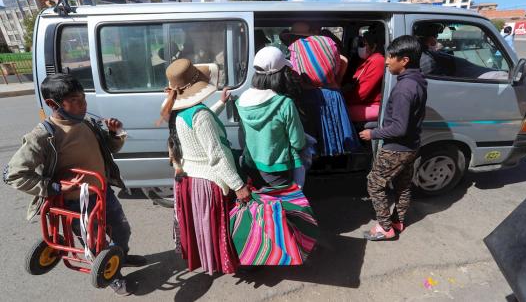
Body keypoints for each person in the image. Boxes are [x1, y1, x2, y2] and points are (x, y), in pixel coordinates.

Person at [3, 73, 146, 295]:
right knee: (96, 244)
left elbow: (110, 148)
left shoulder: (87, 124)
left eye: (84, 99)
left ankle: (120, 258)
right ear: (53, 104)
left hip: (101, 193)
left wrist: (114, 133)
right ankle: (112, 276)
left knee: (122, 229)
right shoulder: (44, 136)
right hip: (75, 203)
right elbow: (14, 175)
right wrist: (55, 188)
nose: (83, 105)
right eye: (75, 100)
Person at [160, 58, 251, 275]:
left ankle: (209, 261)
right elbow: (217, 155)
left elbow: (200, 125)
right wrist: (238, 185)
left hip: (191, 179)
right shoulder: (200, 115)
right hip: (209, 181)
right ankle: (223, 262)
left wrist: (220, 103)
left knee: (202, 228)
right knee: (216, 227)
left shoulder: (179, 112)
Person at [359, 35, 427, 241]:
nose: (386, 61)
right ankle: (398, 220)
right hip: (411, 146)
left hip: (396, 148)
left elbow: (398, 128)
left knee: (374, 183)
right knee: (403, 185)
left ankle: (385, 227)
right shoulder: (418, 81)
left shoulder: (404, 89)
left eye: (391, 57)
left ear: (404, 60)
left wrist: (373, 133)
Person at [284, 22, 360, 156]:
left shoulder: (296, 48)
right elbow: (344, 60)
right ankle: (335, 163)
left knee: (314, 136)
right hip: (333, 94)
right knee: (336, 134)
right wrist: (335, 82)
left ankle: (315, 163)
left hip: (309, 96)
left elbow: (296, 75)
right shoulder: (328, 45)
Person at [236, 46, 307, 188]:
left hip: (251, 166)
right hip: (278, 170)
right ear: (280, 75)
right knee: (280, 207)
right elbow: (298, 142)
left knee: (261, 208)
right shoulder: (284, 104)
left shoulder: (241, 100)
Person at [343, 30, 385, 122]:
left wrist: (342, 99)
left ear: (374, 46)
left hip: (371, 105)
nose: (360, 48)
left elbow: (362, 93)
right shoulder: (366, 60)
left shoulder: (377, 61)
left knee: (336, 113)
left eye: (363, 45)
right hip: (360, 102)